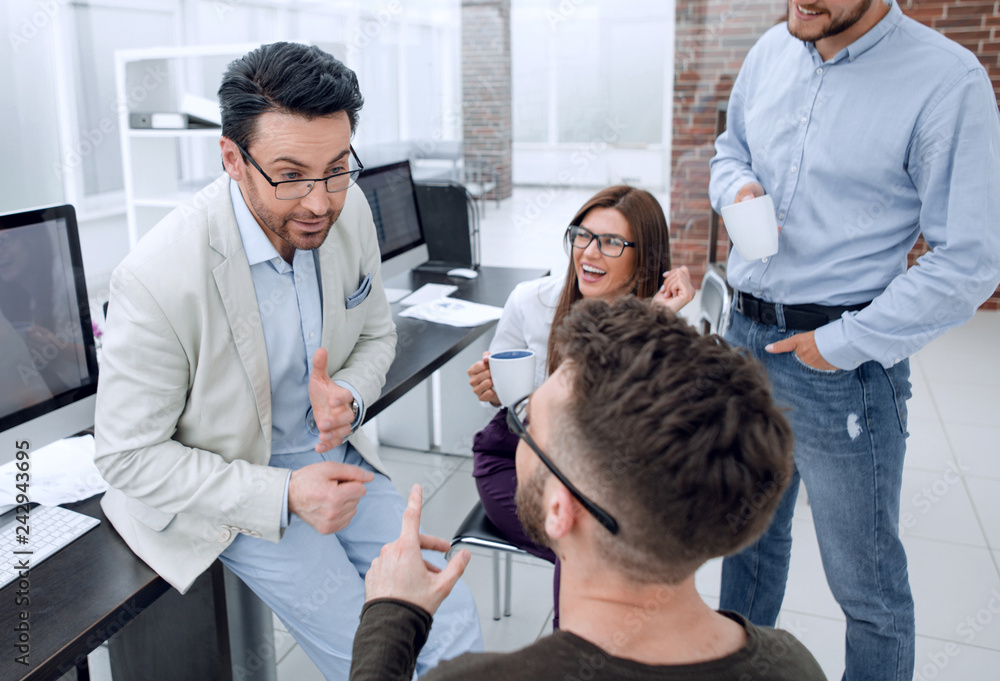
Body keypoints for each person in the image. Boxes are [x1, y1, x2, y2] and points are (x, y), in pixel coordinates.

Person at [94, 42, 481, 679]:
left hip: (332, 456)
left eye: (336, 168)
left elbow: (377, 335)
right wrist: (281, 494)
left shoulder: (349, 211)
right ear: (232, 159)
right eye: (291, 174)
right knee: (370, 646)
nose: (320, 201)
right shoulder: (157, 277)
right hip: (235, 478)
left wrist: (349, 396)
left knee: (452, 617)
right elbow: (125, 455)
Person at [708, 2, 1000, 679]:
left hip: (840, 362)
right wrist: (737, 185)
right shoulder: (771, 50)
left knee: (867, 589)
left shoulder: (946, 81)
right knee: (746, 541)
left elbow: (969, 261)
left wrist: (839, 343)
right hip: (745, 343)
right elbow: (730, 149)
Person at [349, 296, 826, 681]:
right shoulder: (794, 665)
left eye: (528, 423)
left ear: (561, 508)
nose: (517, 434)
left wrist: (392, 617)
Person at [466, 185, 694, 624]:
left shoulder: (654, 319)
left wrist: (658, 322)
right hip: (518, 464)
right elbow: (506, 402)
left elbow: (645, 431)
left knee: (620, 533)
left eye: (611, 243)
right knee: (583, 538)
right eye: (582, 236)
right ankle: (576, 655)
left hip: (602, 475)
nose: (590, 253)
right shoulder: (533, 302)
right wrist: (495, 392)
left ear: (643, 258)